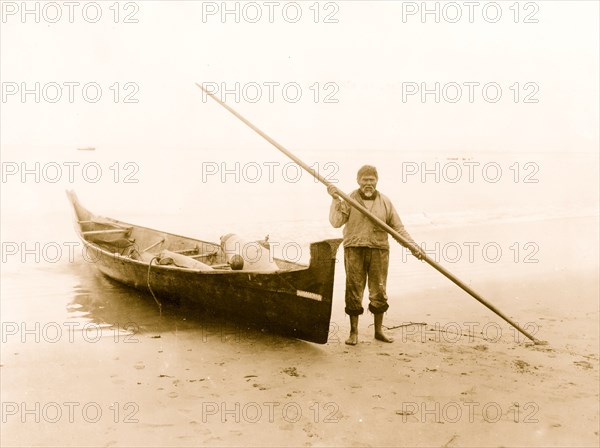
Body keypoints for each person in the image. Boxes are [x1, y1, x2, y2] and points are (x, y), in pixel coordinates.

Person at [328, 165, 424, 345]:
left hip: (379, 250)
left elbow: (398, 228)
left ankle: (379, 331)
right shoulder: (349, 199)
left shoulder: (385, 202)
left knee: (379, 290)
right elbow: (336, 222)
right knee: (354, 291)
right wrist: (335, 200)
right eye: (365, 180)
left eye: (372, 180)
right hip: (354, 249)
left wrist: (413, 246)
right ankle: (353, 332)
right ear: (358, 181)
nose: (368, 183)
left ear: (377, 181)